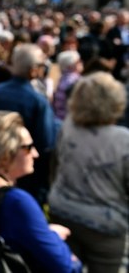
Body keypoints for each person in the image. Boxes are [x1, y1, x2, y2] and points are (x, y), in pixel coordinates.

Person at [0, 111, 80, 273]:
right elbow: (65, 266)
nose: (36, 154)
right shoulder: (17, 201)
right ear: (5, 154)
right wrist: (54, 237)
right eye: (28, 148)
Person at [49, 72, 129, 273]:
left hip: (63, 211)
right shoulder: (123, 140)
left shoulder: (68, 127)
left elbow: (55, 167)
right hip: (105, 225)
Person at [0, 43, 60, 205]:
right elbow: (46, 141)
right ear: (33, 69)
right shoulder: (37, 100)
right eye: (42, 65)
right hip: (27, 171)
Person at [52, 50, 82, 120]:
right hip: (70, 120)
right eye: (78, 61)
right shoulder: (75, 79)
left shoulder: (62, 78)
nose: (81, 63)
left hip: (58, 118)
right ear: (71, 65)